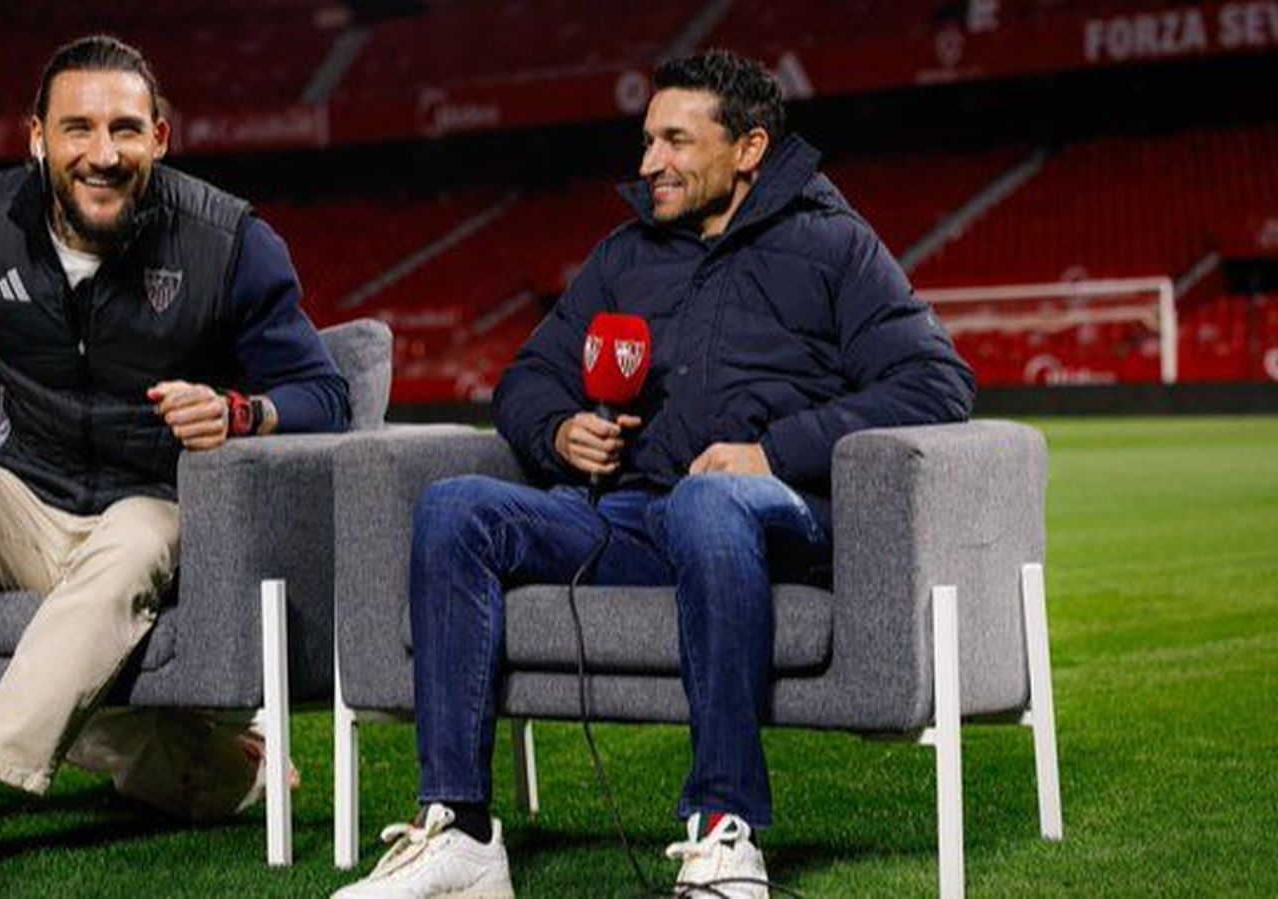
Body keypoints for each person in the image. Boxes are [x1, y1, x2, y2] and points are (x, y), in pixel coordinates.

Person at [335, 50, 974, 899]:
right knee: (456, 508)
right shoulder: (626, 256)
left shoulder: (833, 245)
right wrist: (562, 431)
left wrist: (772, 453)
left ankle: (724, 832)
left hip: (777, 519)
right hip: (635, 516)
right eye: (646, 141)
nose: (648, 164)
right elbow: (527, 378)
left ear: (748, 149)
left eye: (675, 141)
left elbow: (937, 381)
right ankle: (464, 835)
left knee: (713, 501)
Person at [0, 35, 349, 896]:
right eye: (78, 128)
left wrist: (238, 410)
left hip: (151, 502)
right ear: (35, 136)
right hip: (17, 493)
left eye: (125, 129)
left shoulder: (228, 239)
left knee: (128, 547)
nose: (103, 153)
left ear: (161, 135)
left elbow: (325, 394)